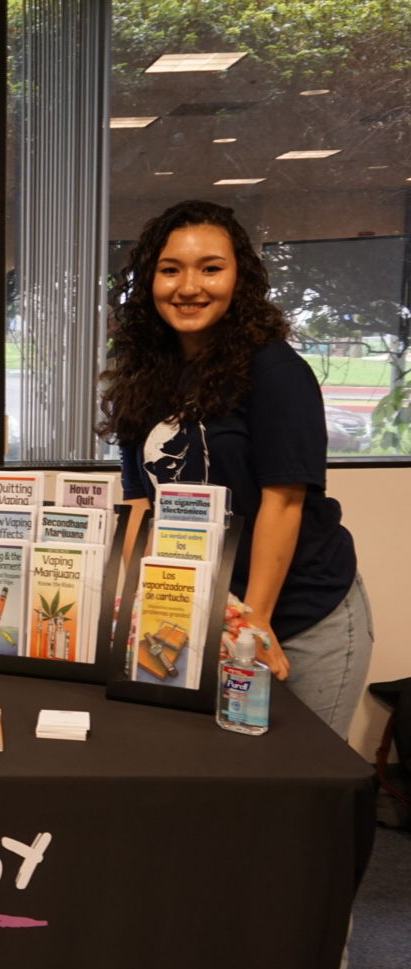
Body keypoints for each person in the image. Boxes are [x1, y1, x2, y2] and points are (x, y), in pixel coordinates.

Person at [99, 200, 372, 741]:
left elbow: (285, 500)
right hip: (202, 611)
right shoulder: (145, 374)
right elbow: (138, 501)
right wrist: (123, 602)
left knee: (301, 784)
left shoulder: (275, 372)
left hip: (296, 615)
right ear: (149, 279)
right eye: (170, 269)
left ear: (238, 277)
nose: (189, 287)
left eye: (211, 268)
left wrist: (257, 622)